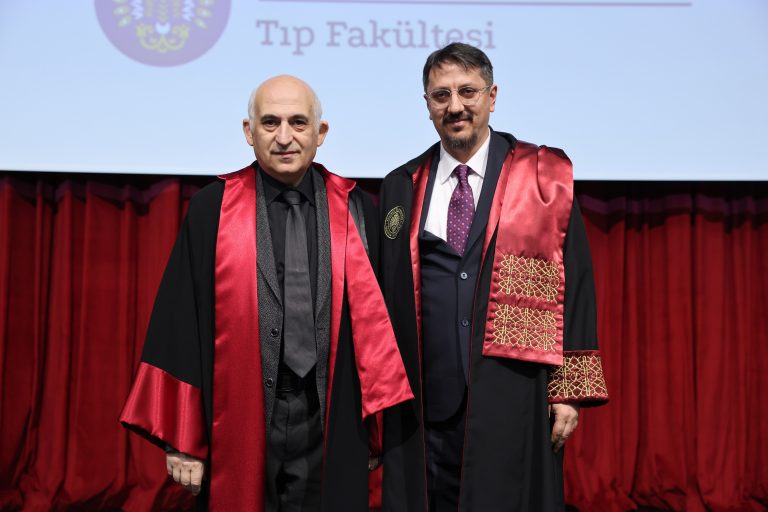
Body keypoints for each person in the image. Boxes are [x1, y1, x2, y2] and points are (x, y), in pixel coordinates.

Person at [120, 75, 413, 512]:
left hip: (329, 416)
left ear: (321, 133)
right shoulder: (212, 208)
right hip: (240, 413)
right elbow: (181, 321)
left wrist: (374, 428)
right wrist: (182, 440)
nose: (284, 137)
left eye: (298, 122)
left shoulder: (357, 209)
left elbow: (377, 332)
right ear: (248, 131)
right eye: (270, 122)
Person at [378, 43, 609, 511]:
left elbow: (576, 285)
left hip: (516, 394)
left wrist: (569, 392)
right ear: (427, 104)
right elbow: (383, 298)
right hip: (428, 402)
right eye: (441, 95)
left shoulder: (543, 177)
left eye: (467, 92)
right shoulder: (400, 185)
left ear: (492, 96)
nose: (455, 106)